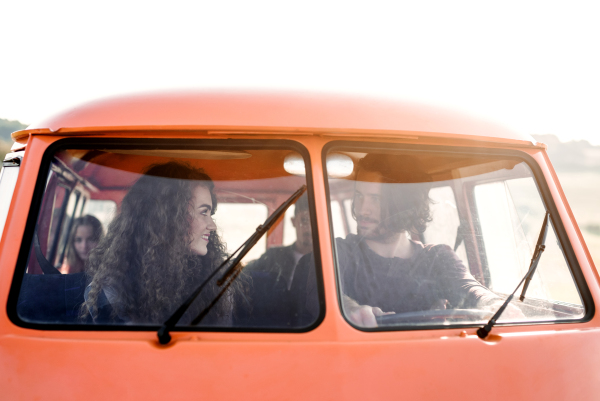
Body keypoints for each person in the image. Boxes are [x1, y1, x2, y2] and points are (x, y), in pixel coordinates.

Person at [299, 153, 521, 328]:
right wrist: (348, 308)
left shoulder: (437, 258)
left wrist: (494, 304)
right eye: (359, 196)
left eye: (376, 199)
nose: (362, 209)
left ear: (403, 206)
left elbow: (468, 288)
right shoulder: (337, 252)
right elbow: (318, 292)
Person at [82, 161, 247, 325]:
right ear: (168, 218)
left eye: (210, 213)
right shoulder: (113, 289)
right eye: (203, 212)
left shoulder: (215, 281)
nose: (212, 225)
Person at [242, 194, 313, 327]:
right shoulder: (273, 256)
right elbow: (244, 274)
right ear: (293, 221)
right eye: (304, 220)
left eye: (314, 222)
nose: (309, 227)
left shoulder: (331, 262)